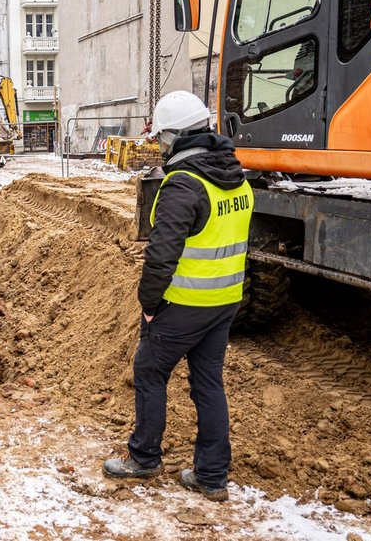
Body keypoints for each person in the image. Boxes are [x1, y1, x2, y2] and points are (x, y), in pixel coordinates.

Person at [102, 91, 253, 502]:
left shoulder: (184, 184)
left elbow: (161, 256)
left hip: (182, 305)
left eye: (164, 139)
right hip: (224, 303)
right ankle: (212, 475)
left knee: (150, 372)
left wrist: (150, 305)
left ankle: (145, 458)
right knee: (209, 382)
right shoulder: (236, 178)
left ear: (180, 137)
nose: (162, 147)